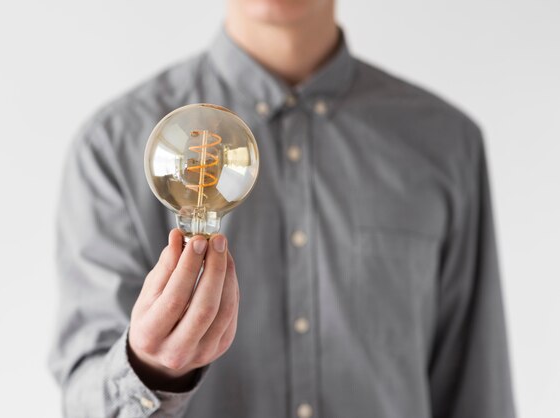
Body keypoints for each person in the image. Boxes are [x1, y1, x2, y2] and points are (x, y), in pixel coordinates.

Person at [48, 0, 516, 417]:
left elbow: (477, 389)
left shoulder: (446, 145)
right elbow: (83, 398)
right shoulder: (113, 146)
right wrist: (148, 370)